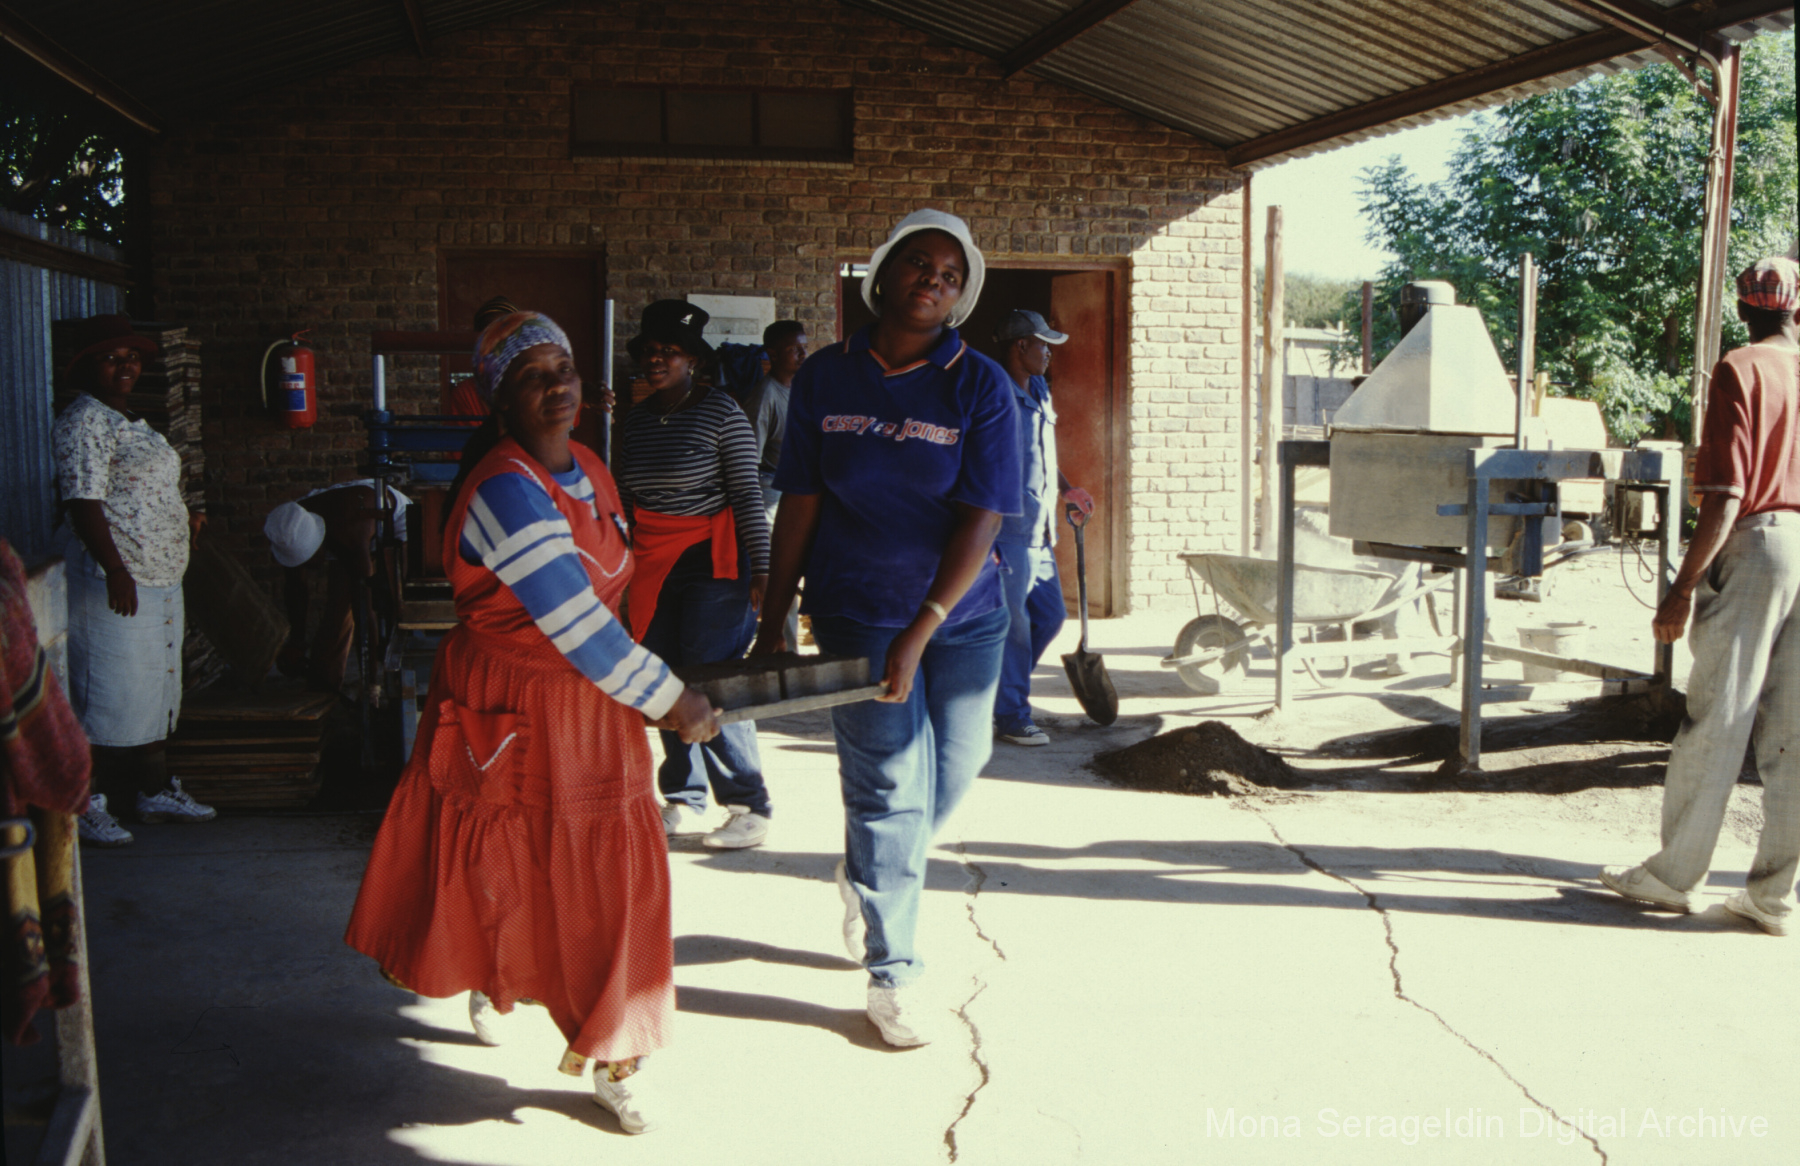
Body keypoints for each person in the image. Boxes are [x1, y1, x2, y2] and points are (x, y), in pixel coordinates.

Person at [345, 311, 720, 1135]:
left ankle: (616, 1051)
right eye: (531, 376)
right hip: (518, 697)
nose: (557, 386)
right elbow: (578, 626)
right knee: (504, 858)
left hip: (589, 705)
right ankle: (499, 972)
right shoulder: (504, 492)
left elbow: (610, 606)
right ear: (500, 401)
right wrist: (669, 697)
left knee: (606, 882)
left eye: (565, 368)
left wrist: (653, 682)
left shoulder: (590, 467)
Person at [749, 209, 1021, 1046]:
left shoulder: (981, 385)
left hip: (964, 614)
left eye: (950, 274)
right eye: (918, 263)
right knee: (890, 788)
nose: (933, 280)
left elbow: (983, 516)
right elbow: (801, 499)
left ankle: (868, 868)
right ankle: (893, 969)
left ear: (962, 294)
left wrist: (925, 623)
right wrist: (773, 614)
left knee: (959, 766)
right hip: (857, 608)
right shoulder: (825, 376)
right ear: (883, 272)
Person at [1599, 256, 1800, 937]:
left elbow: (1727, 497)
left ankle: (1674, 876)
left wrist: (1681, 589)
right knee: (1792, 732)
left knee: (1719, 714)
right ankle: (1773, 897)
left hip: (1760, 547)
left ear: (1742, 309)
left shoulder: (1740, 369)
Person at [615, 300, 775, 850]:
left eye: (670, 351)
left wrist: (764, 569)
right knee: (663, 675)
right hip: (652, 560)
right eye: (649, 351)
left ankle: (749, 803)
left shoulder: (722, 412)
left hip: (714, 558)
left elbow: (747, 494)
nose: (656, 360)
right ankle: (683, 797)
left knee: (711, 677)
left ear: (693, 361)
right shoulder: (637, 419)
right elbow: (625, 497)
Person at [50, 315, 215, 846]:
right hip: (113, 575)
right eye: (111, 357)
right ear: (86, 367)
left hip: (158, 573)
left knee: (153, 687)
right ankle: (84, 803)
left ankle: (154, 790)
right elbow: (84, 501)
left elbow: (142, 489)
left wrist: (181, 518)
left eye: (132, 357)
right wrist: (116, 570)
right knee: (103, 689)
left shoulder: (129, 421)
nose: (125, 366)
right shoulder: (84, 421)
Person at [990, 309, 1096, 746]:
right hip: (1006, 531)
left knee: (1050, 616)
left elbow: (1040, 454)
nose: (1049, 352)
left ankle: (993, 693)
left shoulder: (1038, 389)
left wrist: (1067, 490)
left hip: (1039, 531)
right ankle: (1011, 715)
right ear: (1021, 346)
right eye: (1043, 344)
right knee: (1014, 627)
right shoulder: (992, 392)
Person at [264, 479, 409, 693]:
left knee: (398, 606)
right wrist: (297, 642)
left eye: (308, 559)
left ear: (318, 543)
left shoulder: (349, 532)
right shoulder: (287, 526)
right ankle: (324, 686)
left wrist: (370, 685)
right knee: (337, 610)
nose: (308, 567)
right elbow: (296, 589)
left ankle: (384, 682)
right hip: (343, 525)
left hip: (392, 520)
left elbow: (365, 611)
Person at [741, 319, 808, 649]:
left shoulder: (801, 389)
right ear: (773, 354)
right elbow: (748, 463)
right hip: (771, 491)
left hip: (800, 490)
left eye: (804, 347)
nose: (802, 355)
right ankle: (781, 650)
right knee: (781, 575)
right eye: (794, 349)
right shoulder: (765, 395)